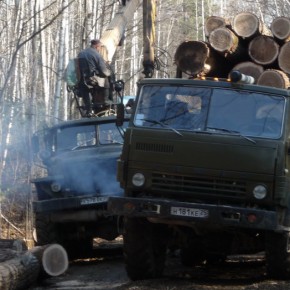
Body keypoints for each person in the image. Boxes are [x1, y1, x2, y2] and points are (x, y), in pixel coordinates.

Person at [78, 39, 112, 117]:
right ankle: (106, 101)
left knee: (85, 87)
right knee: (106, 80)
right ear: (97, 46)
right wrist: (109, 73)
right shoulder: (96, 54)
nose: (100, 49)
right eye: (100, 47)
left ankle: (88, 108)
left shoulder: (81, 53)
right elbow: (103, 71)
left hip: (82, 81)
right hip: (92, 80)